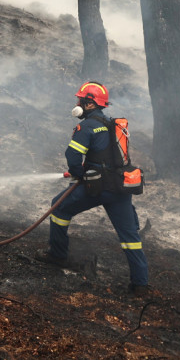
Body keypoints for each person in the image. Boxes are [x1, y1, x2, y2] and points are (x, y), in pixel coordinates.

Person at [40, 81, 150, 295]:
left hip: (97, 187)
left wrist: (79, 174)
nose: (77, 102)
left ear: (89, 104)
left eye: (80, 99)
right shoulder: (111, 124)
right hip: (119, 187)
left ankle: (57, 255)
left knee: (59, 208)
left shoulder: (87, 126)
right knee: (129, 237)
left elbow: (72, 155)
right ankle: (140, 284)